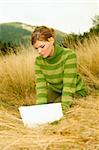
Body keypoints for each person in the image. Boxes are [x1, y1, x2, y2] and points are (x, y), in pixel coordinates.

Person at [31, 26, 87, 114]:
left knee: (56, 109)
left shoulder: (69, 55)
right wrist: (40, 111)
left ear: (51, 40)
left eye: (42, 46)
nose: (39, 52)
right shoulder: (39, 61)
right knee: (40, 107)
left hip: (74, 90)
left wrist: (63, 110)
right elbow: (41, 87)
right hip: (55, 90)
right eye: (36, 48)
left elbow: (69, 87)